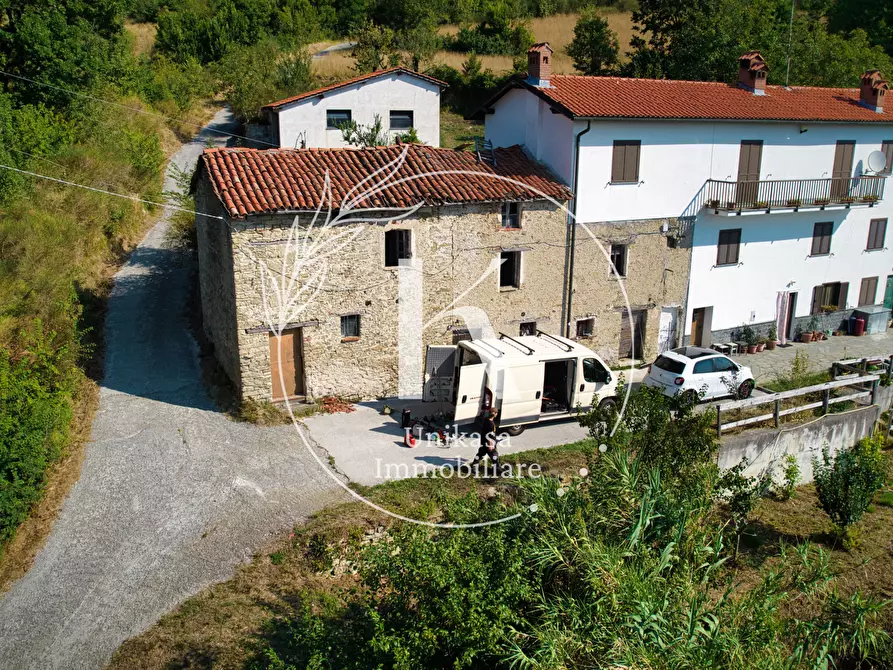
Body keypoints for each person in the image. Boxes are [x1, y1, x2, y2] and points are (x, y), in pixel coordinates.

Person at [470, 407, 500, 471]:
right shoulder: (490, 424)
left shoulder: (487, 419)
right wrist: (491, 444)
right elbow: (489, 435)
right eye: (496, 413)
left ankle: (474, 466)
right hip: (489, 443)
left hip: (484, 441)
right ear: (495, 414)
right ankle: (497, 469)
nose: (496, 414)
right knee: (494, 455)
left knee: (480, 454)